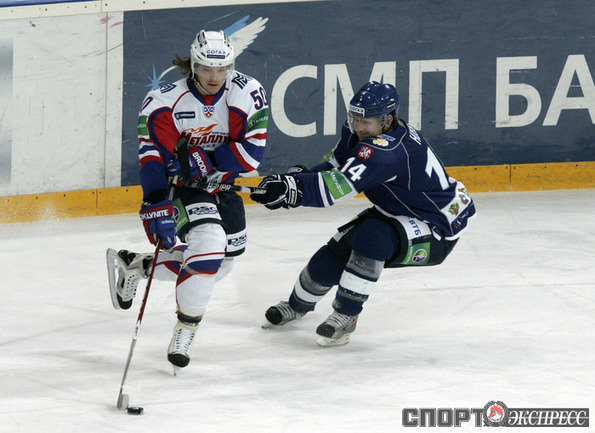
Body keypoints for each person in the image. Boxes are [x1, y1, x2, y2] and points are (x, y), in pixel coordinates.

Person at [251, 81, 475, 346]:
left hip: (435, 227)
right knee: (334, 253)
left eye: (365, 122)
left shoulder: (388, 150)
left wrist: (293, 190)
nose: (358, 127)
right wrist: (298, 180)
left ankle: (346, 315)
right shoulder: (361, 132)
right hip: (397, 213)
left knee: (372, 237)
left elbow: (335, 189)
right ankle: (296, 306)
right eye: (355, 119)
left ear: (387, 120)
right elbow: (336, 166)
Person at [108, 30, 268, 369]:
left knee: (219, 264)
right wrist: (155, 201)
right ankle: (185, 332)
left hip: (222, 186)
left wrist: (207, 161)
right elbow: (152, 156)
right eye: (207, 68)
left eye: (222, 69)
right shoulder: (164, 100)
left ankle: (136, 266)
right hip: (181, 188)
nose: (215, 77)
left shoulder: (247, 92)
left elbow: (251, 154)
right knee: (209, 243)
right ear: (193, 65)